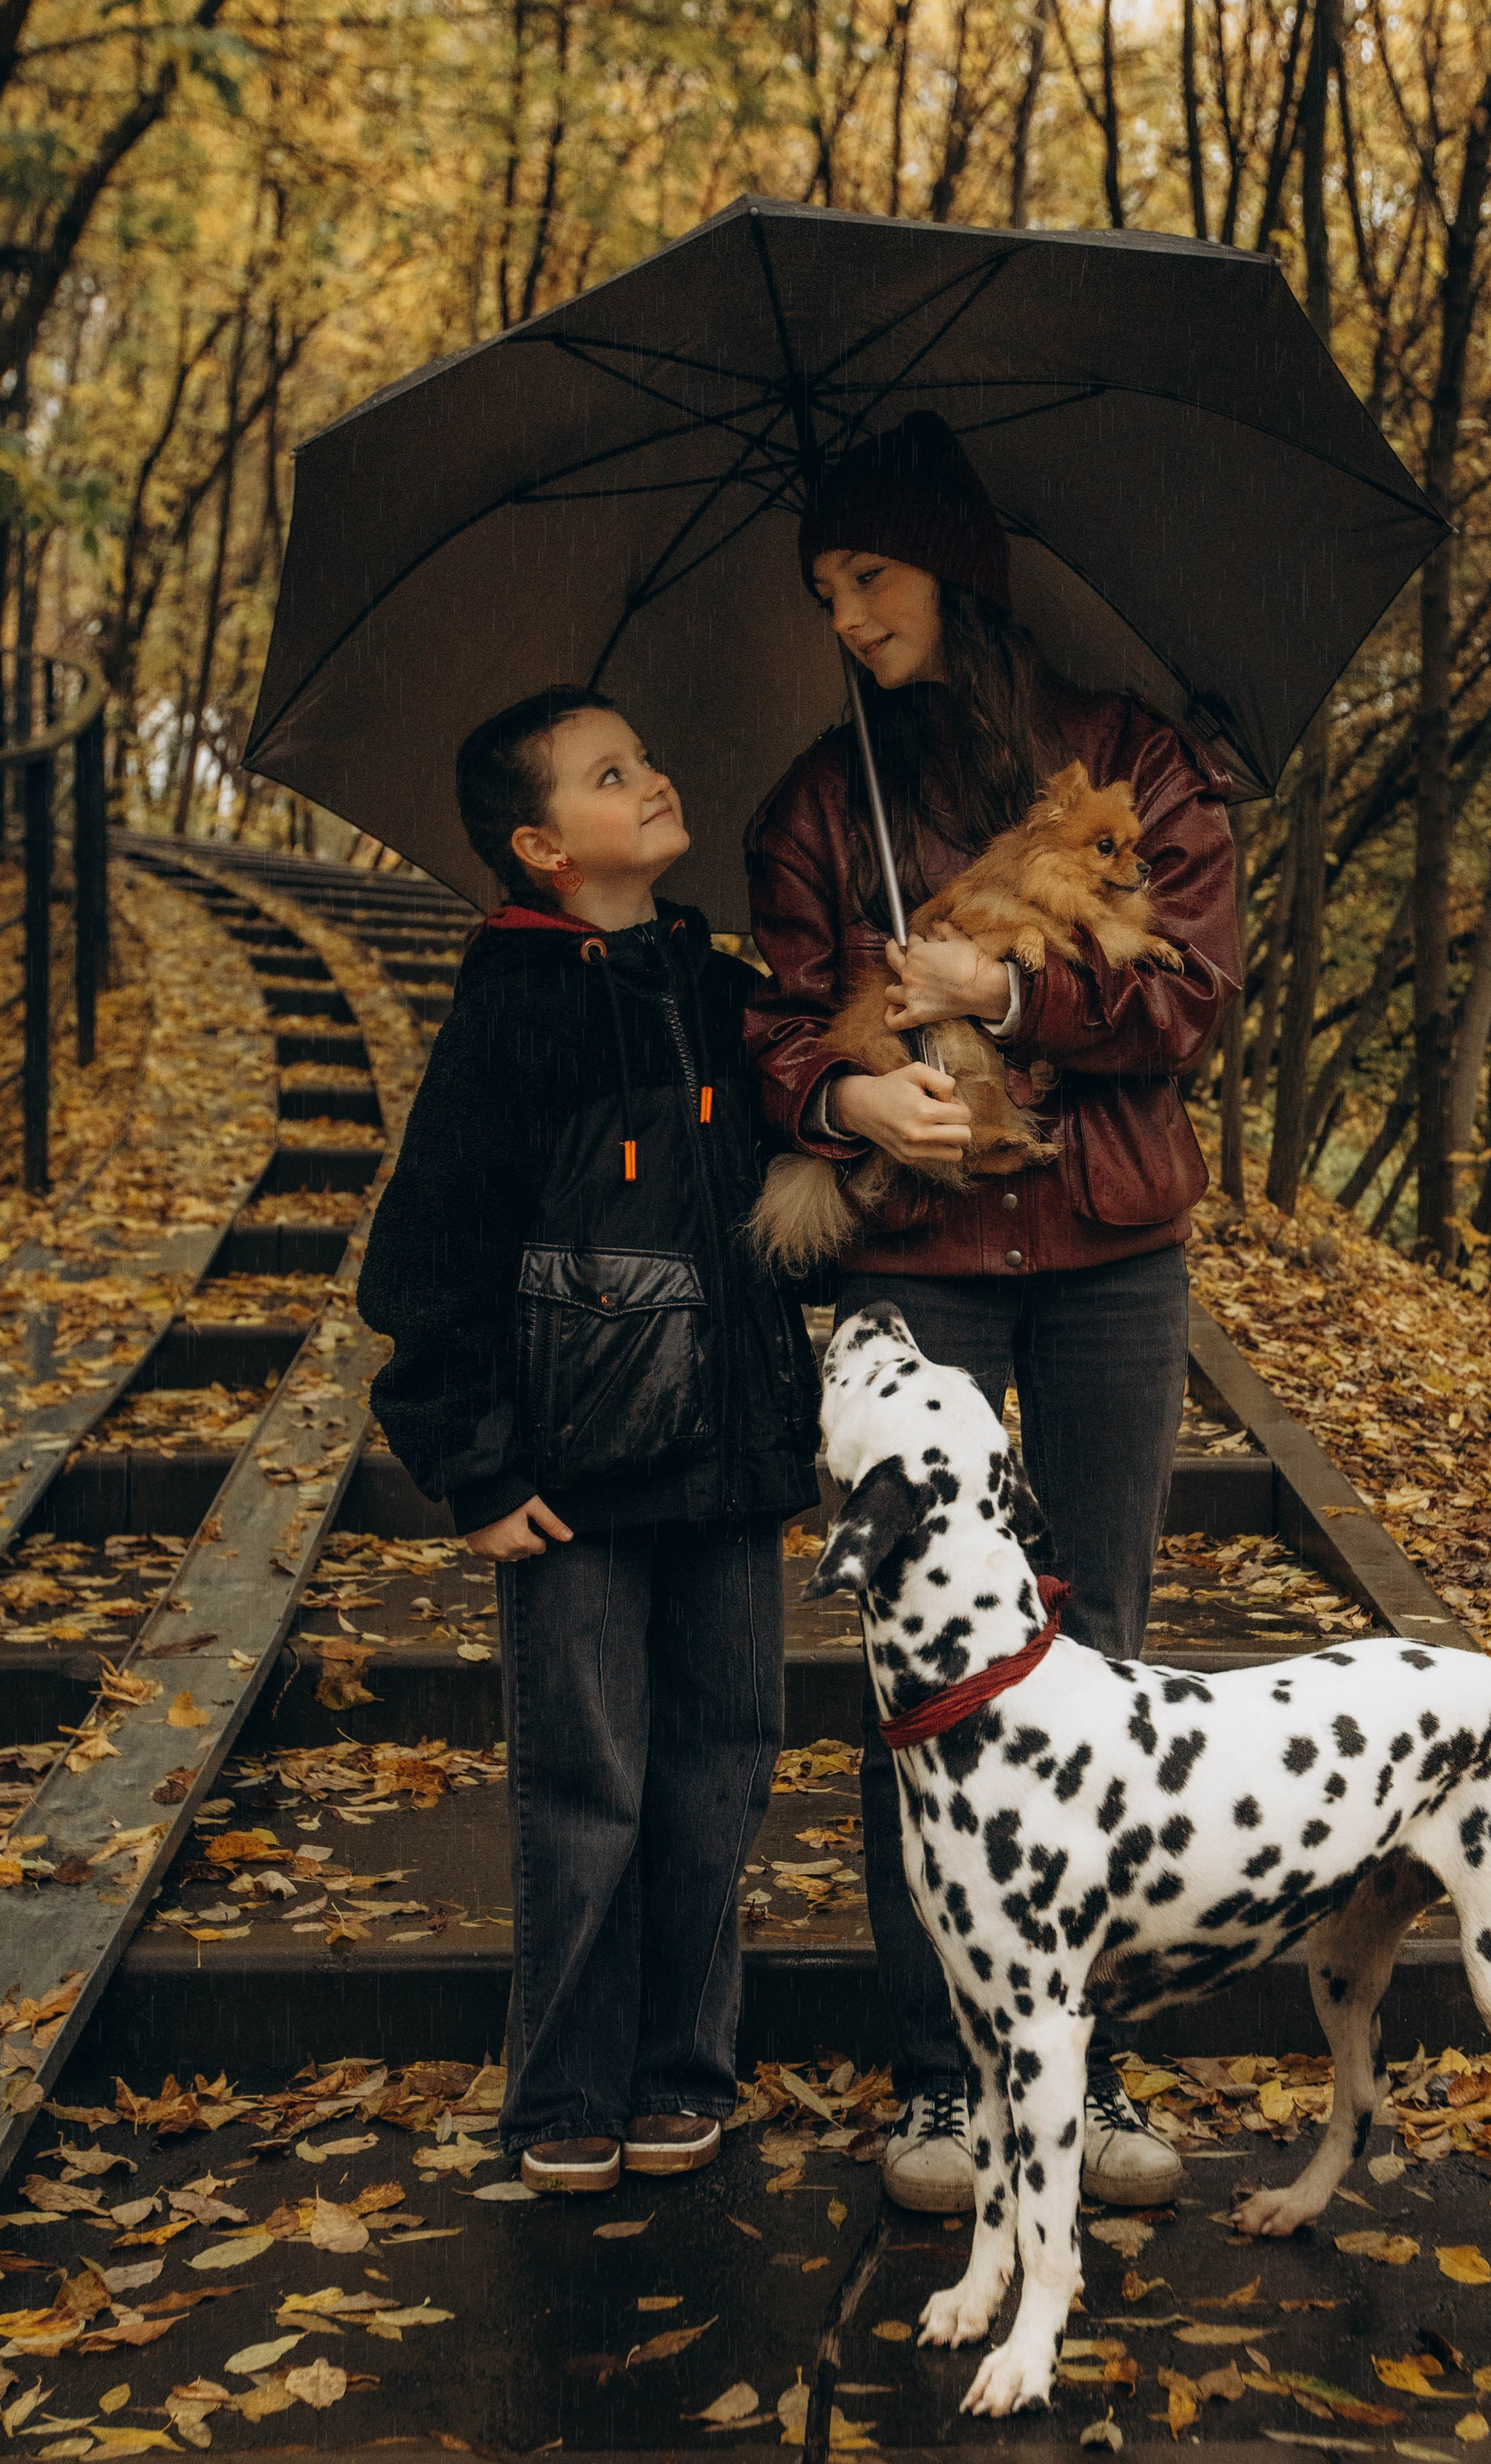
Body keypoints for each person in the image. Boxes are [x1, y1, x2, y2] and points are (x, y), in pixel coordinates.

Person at [745, 412, 1240, 2214]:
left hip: (1108, 1262)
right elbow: (778, 1021)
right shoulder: (816, 802)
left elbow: (1190, 1002)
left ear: (948, 570)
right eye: (821, 589)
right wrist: (849, 1098)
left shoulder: (1128, 759)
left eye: (861, 578)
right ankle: (943, 2081)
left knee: (1089, 1644)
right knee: (927, 1676)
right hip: (917, 1280)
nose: (842, 617)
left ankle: (1085, 2065)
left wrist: (1009, 1004)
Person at [358, 686, 821, 2197]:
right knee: (589, 1781)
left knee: (720, 1763)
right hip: (572, 1475)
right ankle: (562, 2083)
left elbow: (772, 1181)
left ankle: (684, 2064)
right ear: (542, 846)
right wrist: (475, 1466)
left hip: (729, 1461)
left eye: (647, 750)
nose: (656, 773)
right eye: (613, 770)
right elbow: (429, 1254)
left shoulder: (710, 978)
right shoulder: (513, 1000)